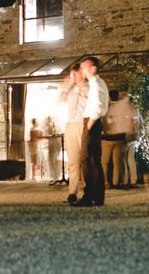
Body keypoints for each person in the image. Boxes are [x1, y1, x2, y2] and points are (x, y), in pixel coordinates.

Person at [73, 56, 108, 207]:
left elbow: (99, 105)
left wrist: (90, 123)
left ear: (93, 69)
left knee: (86, 159)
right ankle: (97, 197)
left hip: (91, 122)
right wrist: (84, 96)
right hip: (92, 121)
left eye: (84, 67)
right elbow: (96, 101)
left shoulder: (95, 83)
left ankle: (89, 196)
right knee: (93, 160)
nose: (82, 70)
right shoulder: (98, 83)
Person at [60, 63, 88, 204]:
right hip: (71, 124)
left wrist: (81, 93)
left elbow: (92, 103)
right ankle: (72, 192)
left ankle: (88, 190)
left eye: (74, 74)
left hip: (82, 123)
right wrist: (65, 88)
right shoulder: (70, 89)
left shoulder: (88, 87)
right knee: (73, 160)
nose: (73, 77)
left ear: (81, 73)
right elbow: (60, 101)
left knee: (84, 159)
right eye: (71, 74)